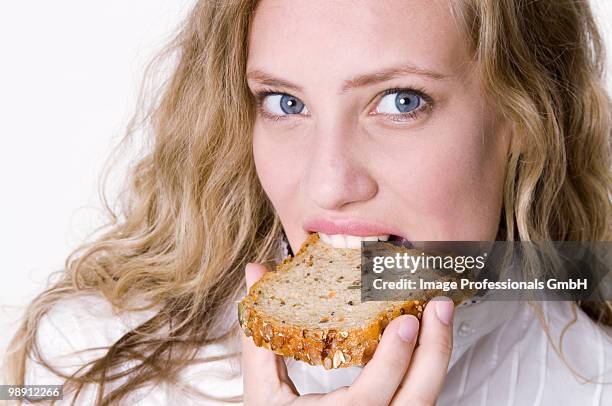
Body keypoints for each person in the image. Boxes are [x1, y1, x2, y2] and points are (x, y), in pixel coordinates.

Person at [4, 0, 611, 404]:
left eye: (401, 101)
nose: (327, 185)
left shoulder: (595, 380)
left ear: (525, 117)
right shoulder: (83, 360)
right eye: (285, 103)